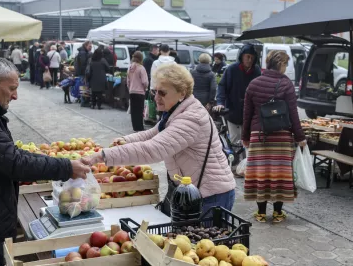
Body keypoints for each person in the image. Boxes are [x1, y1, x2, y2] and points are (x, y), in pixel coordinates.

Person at [0, 58, 90, 266]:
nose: (15, 95)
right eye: (12, 88)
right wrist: (66, 167)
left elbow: (11, 154)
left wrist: (62, 164)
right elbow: (14, 162)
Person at [83, 63, 236, 215]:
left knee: (201, 239)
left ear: (182, 93)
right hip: (193, 192)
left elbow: (153, 149)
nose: (156, 98)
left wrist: (103, 155)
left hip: (212, 196)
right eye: (154, 92)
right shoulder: (175, 111)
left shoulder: (191, 119)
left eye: (162, 93)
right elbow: (153, 133)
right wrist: (125, 140)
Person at [242, 51, 306, 224]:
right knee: (280, 174)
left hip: (259, 135)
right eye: (285, 64)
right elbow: (293, 113)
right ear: (282, 64)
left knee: (260, 173)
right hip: (282, 136)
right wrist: (300, 136)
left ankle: (261, 213)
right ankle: (278, 213)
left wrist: (245, 136)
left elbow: (247, 114)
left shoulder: (254, 83)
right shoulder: (286, 84)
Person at [215, 44, 261, 144]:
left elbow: (260, 89)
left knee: (249, 142)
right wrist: (220, 102)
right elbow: (222, 86)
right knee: (235, 141)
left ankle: (246, 159)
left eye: (252, 57)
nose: (249, 60)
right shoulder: (232, 69)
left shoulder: (256, 70)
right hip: (233, 111)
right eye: (247, 56)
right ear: (242, 56)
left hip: (250, 113)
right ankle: (236, 159)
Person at [127, 51, 149, 132]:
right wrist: (145, 88)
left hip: (132, 91)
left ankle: (135, 127)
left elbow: (128, 81)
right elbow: (145, 82)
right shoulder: (141, 68)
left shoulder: (129, 68)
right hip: (140, 92)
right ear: (141, 58)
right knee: (139, 110)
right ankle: (140, 127)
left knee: (133, 110)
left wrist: (130, 88)